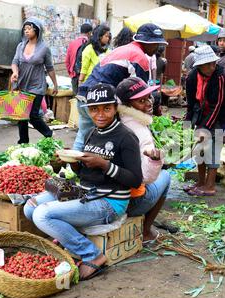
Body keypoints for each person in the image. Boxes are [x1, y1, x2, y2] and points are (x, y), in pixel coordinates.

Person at [24, 83, 143, 280]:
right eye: (94, 109)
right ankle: (67, 238)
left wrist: (104, 165)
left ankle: (92, 255)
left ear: (115, 108)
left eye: (107, 108)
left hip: (110, 203)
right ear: (88, 110)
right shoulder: (91, 133)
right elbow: (84, 174)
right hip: (86, 192)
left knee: (42, 215)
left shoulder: (126, 137)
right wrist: (72, 162)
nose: (100, 114)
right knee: (30, 207)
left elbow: (136, 180)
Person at [73, 23, 168, 152]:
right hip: (100, 102)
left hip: (84, 96)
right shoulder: (139, 58)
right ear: (147, 43)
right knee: (103, 142)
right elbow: (140, 95)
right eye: (156, 44)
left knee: (83, 137)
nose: (157, 48)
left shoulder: (121, 49)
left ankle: (72, 167)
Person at [116, 77, 171, 242]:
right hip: (130, 202)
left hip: (112, 196)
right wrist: (156, 161)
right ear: (127, 105)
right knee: (167, 177)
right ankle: (146, 231)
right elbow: (146, 177)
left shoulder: (118, 120)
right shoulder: (138, 131)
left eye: (148, 97)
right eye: (141, 101)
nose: (148, 103)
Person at [184, 46, 225, 196]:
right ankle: (201, 182)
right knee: (200, 146)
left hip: (224, 113)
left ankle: (210, 185)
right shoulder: (192, 77)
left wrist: (205, 128)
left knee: (213, 145)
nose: (213, 67)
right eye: (208, 64)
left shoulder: (219, 76)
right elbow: (191, 102)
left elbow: (218, 105)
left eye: (214, 63)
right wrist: (190, 122)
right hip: (203, 111)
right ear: (200, 66)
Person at [11, 17, 57, 145]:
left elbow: (50, 68)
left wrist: (55, 85)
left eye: (29, 28)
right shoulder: (20, 46)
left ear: (37, 30)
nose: (26, 31)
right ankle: (23, 143)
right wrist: (15, 72)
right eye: (25, 29)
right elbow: (14, 62)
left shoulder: (44, 48)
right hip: (22, 84)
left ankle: (49, 134)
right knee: (21, 117)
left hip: (37, 85)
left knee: (33, 116)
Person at [65, 23, 93, 94]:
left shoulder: (72, 43)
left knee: (76, 98)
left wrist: (71, 73)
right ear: (89, 33)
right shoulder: (89, 44)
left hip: (74, 75)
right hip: (85, 76)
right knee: (85, 98)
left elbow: (67, 61)